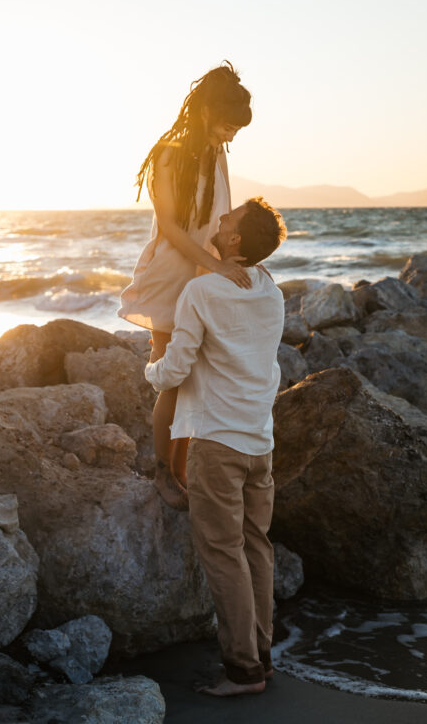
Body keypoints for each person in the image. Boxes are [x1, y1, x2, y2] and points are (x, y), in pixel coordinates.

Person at [145, 197, 287, 697]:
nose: (219, 219)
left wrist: (150, 372)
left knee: (223, 554)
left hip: (215, 442)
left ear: (231, 241)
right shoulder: (271, 290)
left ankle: (242, 670)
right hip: (258, 442)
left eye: (227, 219)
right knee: (256, 548)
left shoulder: (201, 290)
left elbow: (177, 368)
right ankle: (263, 656)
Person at [119, 62, 252, 509]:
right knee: (173, 376)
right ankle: (163, 473)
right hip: (172, 274)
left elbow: (220, 217)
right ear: (207, 112)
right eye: (227, 125)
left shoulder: (215, 155)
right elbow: (172, 229)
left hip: (204, 273)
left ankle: (180, 470)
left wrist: (227, 263)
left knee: (198, 377)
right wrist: (211, 269)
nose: (230, 136)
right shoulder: (168, 154)